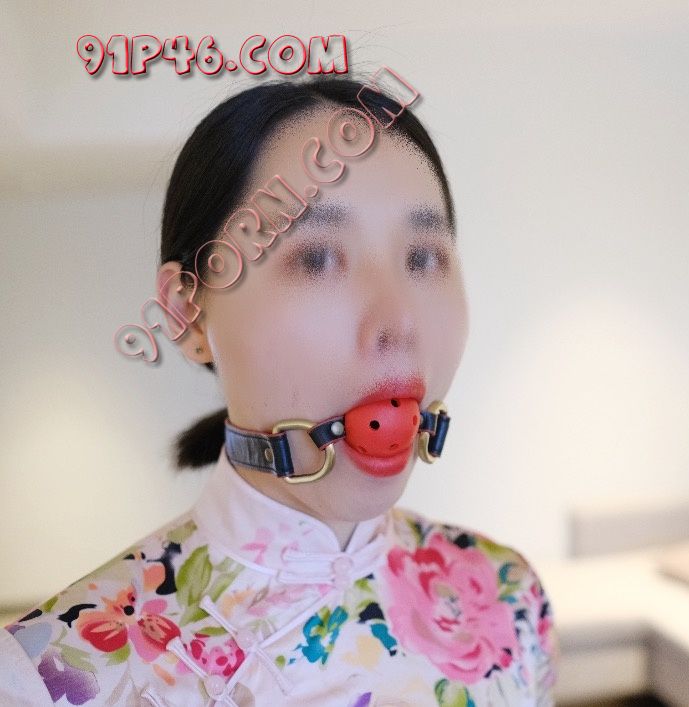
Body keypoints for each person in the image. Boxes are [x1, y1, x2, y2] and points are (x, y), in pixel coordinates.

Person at [0, 74, 558, 706]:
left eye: (424, 258)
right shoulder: (48, 677)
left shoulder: (510, 601)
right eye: (317, 258)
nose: (399, 324)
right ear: (187, 312)